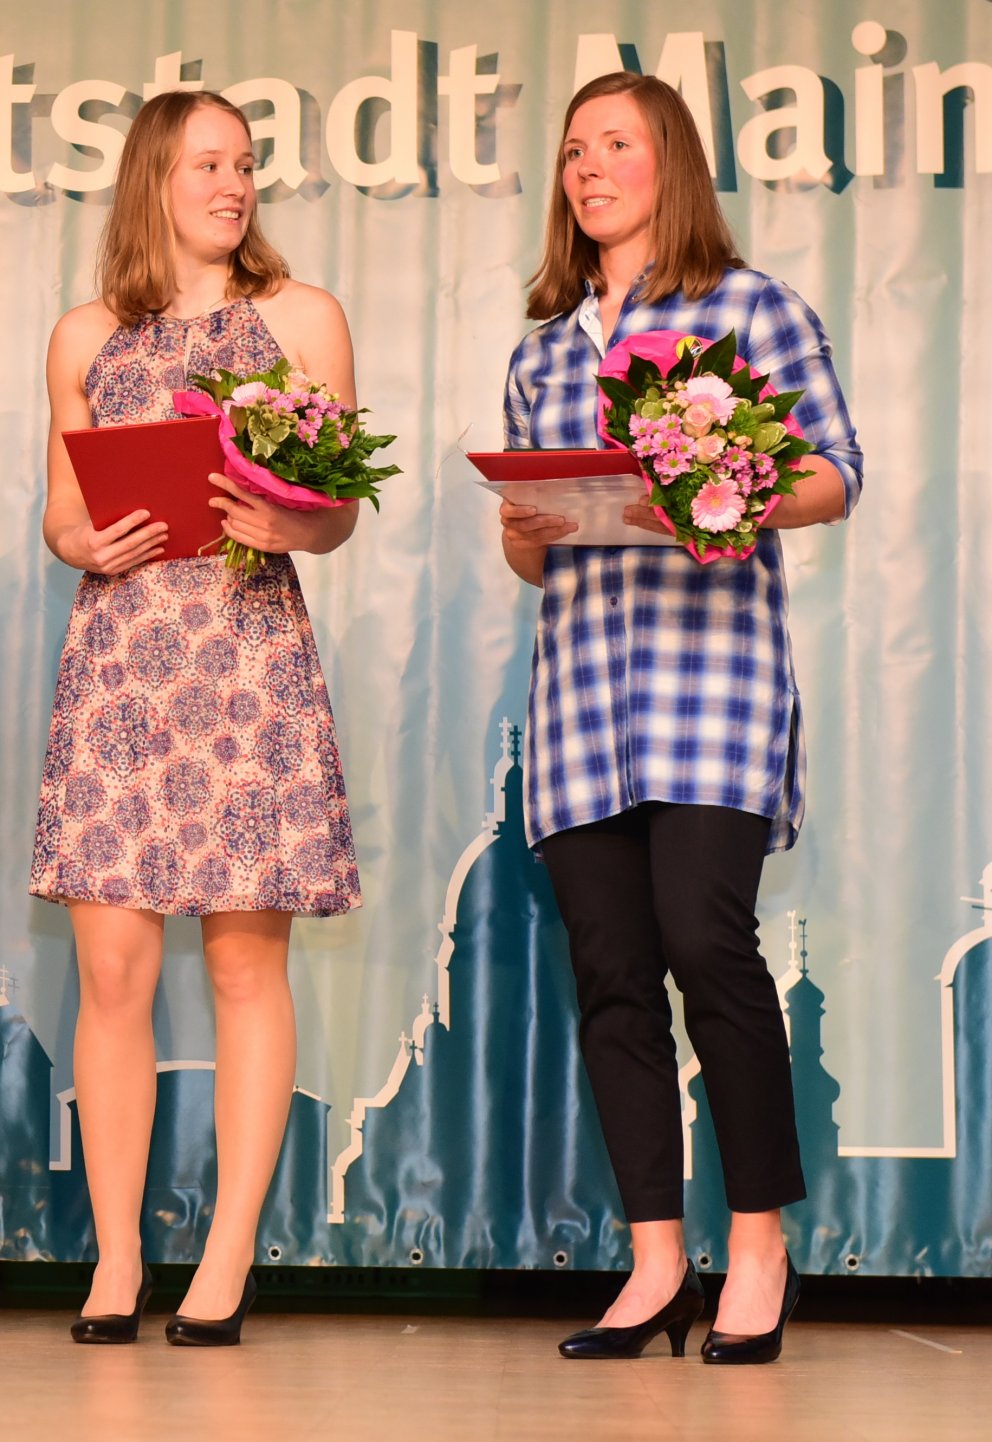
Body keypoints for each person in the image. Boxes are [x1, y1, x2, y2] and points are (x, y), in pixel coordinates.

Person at [499, 73, 861, 1365]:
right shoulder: (542, 346)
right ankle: (655, 1259)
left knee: (709, 946)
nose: (589, 168)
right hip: (582, 702)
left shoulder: (750, 307)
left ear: (672, 164)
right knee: (611, 977)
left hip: (710, 691)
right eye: (572, 150)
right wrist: (529, 529)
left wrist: (717, 484)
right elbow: (530, 554)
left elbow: (833, 471)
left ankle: (756, 1245)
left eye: (615, 144)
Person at [31, 90, 362, 1347]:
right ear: (154, 179)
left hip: (245, 655)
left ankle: (226, 1260)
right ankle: (117, 1260)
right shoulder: (83, 334)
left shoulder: (301, 317)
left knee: (241, 962)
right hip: (120, 659)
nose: (235, 184)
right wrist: (85, 533)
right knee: (111, 969)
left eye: (247, 164)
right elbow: (59, 508)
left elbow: (336, 506)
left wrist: (296, 520)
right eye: (211, 163)